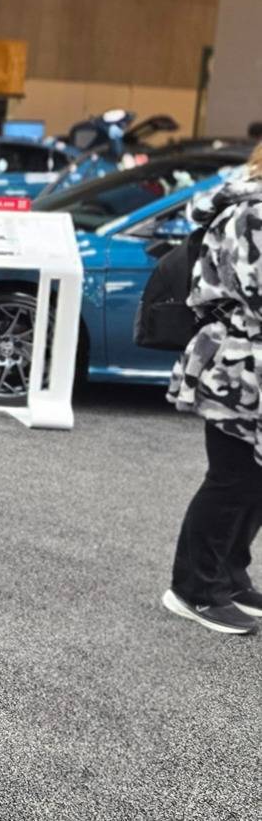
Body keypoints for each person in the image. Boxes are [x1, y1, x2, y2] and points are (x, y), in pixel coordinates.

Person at [164, 148, 262, 635]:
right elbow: (256, 291)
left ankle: (229, 576)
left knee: (254, 480)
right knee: (233, 478)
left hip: (247, 360)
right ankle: (194, 590)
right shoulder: (254, 213)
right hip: (240, 363)